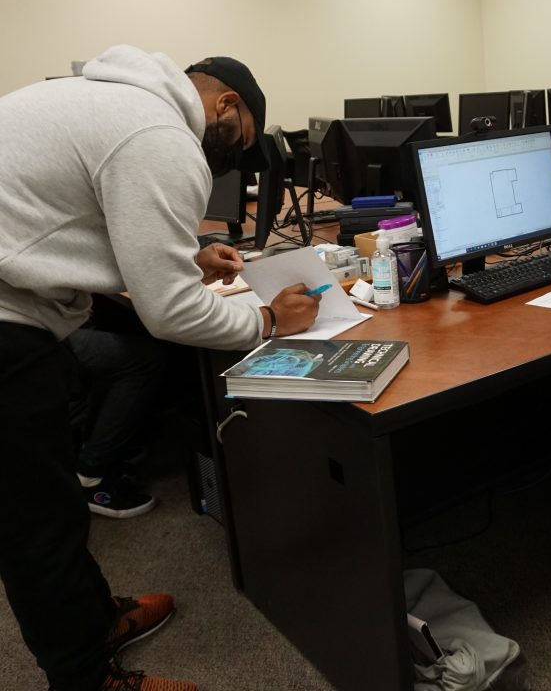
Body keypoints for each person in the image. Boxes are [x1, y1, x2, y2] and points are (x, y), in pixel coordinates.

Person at [0, 45, 321, 691]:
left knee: (55, 498)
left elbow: (67, 227)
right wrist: (266, 323)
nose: (225, 160)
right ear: (224, 104)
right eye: (234, 146)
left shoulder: (122, 103)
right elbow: (170, 315)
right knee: (36, 523)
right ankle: (90, 679)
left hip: (19, 303)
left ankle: (96, 620)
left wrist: (186, 256)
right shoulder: (160, 134)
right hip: (8, 323)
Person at [67, 324, 167, 519]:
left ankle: (97, 452)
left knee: (111, 329)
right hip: (26, 336)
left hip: (32, 326)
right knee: (143, 358)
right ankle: (91, 474)